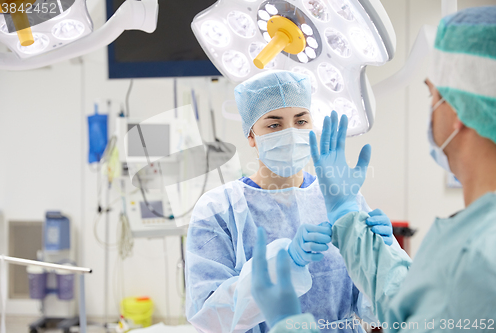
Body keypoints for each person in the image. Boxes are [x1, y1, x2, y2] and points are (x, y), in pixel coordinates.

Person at [251, 6, 496, 333]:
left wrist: (289, 325)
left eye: (432, 94)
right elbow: (412, 310)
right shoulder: (475, 243)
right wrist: (347, 216)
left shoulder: (478, 260)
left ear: (460, 111)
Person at [185, 70, 397, 333]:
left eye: (300, 121)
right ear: (251, 135)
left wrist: (383, 257)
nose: (291, 133)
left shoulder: (339, 197)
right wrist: (284, 263)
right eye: (274, 125)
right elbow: (209, 317)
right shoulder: (220, 208)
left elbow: (381, 312)